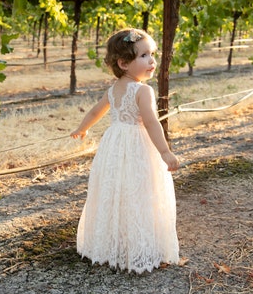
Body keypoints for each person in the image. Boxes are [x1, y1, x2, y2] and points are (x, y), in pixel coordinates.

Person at [70, 28, 180, 274]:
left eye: (152, 54)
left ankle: (116, 242)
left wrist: (83, 127)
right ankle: (138, 244)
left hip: (114, 144)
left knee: (117, 189)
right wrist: (164, 151)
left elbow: (95, 111)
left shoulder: (115, 88)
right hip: (136, 145)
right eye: (143, 56)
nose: (151, 61)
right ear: (123, 63)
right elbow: (151, 123)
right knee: (140, 190)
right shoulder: (143, 91)